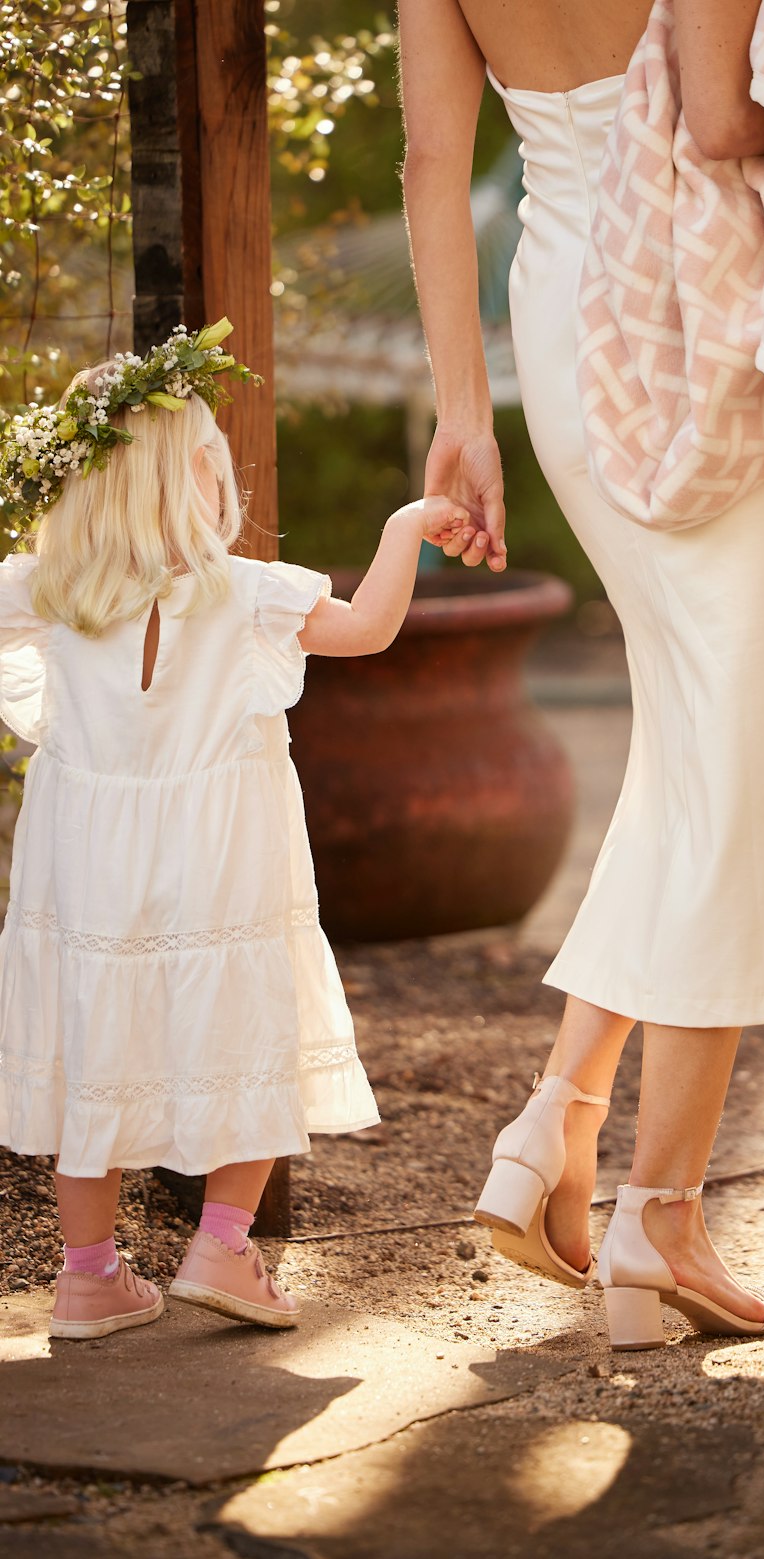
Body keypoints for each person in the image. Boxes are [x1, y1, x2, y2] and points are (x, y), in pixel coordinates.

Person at [399, 0, 764, 1348]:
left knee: (696, 736)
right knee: (746, 747)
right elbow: (724, 118)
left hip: (560, 312)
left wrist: (459, 415)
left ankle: (560, 1121)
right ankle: (657, 1214)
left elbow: (436, 166)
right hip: (693, 293)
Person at [0, 322, 472, 1341]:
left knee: (93, 1043)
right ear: (201, 476)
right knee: (245, 1031)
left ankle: (87, 1275)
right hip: (223, 863)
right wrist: (401, 527)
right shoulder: (249, 593)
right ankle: (222, 1241)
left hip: (87, 872)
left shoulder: (49, 593)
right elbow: (369, 628)